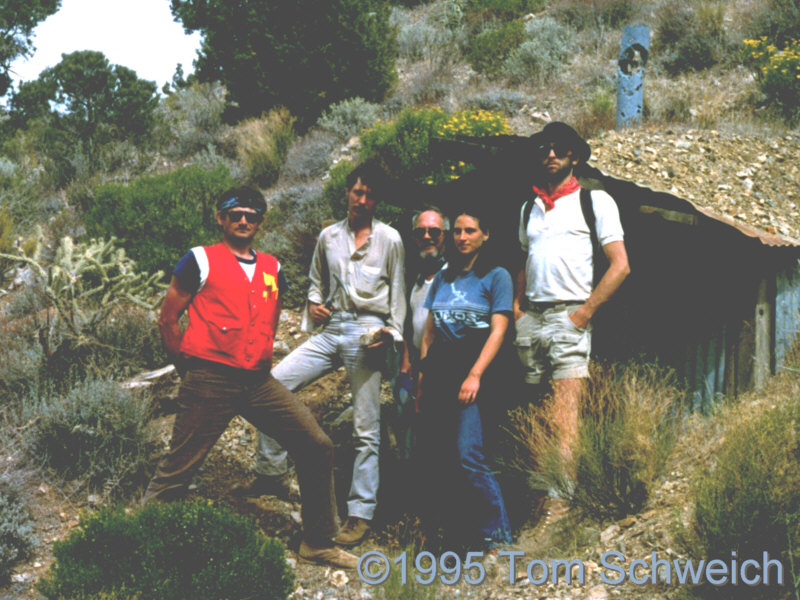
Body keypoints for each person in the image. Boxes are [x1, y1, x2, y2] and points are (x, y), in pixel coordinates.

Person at [141, 186, 358, 570]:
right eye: (235, 213)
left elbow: (271, 318)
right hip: (210, 377)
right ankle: (137, 541)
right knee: (179, 468)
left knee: (316, 444)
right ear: (221, 219)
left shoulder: (273, 267)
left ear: (260, 221)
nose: (243, 220)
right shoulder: (199, 260)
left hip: (257, 380)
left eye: (252, 215)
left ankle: (318, 542)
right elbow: (168, 319)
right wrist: (188, 370)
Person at [240, 161, 406, 547]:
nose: (361, 200)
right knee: (272, 385)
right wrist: (315, 304)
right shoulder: (329, 236)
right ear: (347, 192)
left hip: (368, 332)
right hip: (332, 330)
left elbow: (398, 295)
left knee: (366, 427)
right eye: (356, 191)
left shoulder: (390, 239)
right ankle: (271, 473)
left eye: (369, 195)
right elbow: (316, 282)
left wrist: (391, 333)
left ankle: (360, 513)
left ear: (376, 200)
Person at [513, 121, 630, 514]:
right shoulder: (529, 207)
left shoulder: (594, 202)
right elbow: (524, 262)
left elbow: (620, 266)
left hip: (568, 316)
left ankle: (560, 506)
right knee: (537, 413)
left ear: (574, 156)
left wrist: (583, 314)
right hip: (532, 320)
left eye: (559, 148)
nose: (550, 154)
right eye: (544, 147)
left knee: (564, 415)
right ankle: (538, 500)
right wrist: (517, 310)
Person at [417, 203, 514, 551]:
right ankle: (445, 538)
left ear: (485, 234)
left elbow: (498, 331)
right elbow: (429, 334)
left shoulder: (496, 275)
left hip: (473, 373)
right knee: (436, 457)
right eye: (457, 231)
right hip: (439, 373)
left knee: (468, 454)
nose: (462, 237)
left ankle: (498, 538)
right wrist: (422, 379)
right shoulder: (443, 277)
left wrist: (474, 375)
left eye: (470, 230)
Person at [394, 205, 449, 456]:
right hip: (414, 367)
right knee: (408, 432)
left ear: (445, 235)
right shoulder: (414, 280)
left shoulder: (453, 278)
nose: (427, 237)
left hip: (441, 372)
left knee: (437, 438)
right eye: (420, 233)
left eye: (434, 232)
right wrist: (405, 363)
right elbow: (408, 325)